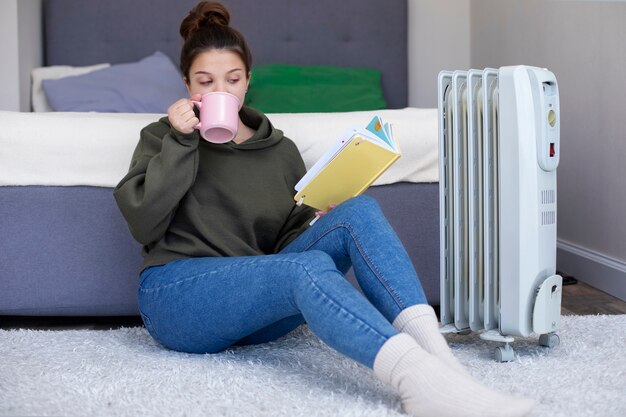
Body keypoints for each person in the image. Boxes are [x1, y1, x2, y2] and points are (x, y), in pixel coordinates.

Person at [114, 2, 534, 416]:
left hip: (255, 309)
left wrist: (319, 221)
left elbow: (284, 242)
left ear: (247, 82)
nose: (219, 92)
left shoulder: (278, 150)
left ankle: (441, 363)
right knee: (306, 268)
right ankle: (415, 380)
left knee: (358, 212)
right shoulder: (162, 137)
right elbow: (143, 221)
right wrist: (182, 140)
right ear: (188, 86)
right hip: (178, 299)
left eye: (232, 79)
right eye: (205, 81)